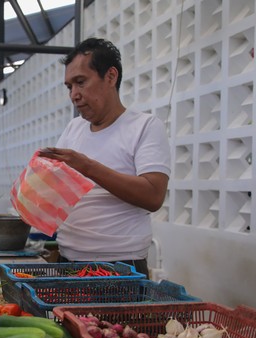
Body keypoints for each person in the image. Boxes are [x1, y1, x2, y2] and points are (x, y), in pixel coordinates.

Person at [36, 38, 171, 277]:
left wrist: (87, 166)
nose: (74, 95)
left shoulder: (145, 126)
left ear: (110, 76)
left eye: (80, 82)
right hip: (68, 258)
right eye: (69, 87)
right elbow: (58, 194)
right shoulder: (73, 129)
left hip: (120, 265)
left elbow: (153, 195)